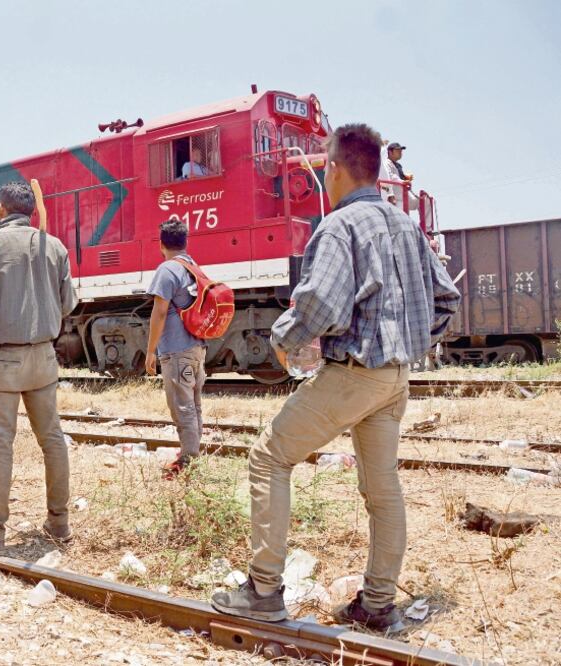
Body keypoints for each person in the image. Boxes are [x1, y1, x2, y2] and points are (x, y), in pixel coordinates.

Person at [210, 125, 460, 632]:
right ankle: (377, 604)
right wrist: (410, 341)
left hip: (356, 374)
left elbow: (320, 302)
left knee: (269, 457)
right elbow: (446, 299)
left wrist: (284, 338)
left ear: (338, 168)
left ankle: (262, 591)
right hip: (395, 379)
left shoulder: (340, 225)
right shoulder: (405, 225)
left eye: (326, 166)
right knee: (382, 487)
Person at [0, 181, 77, 556]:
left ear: (1, 210)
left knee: (0, 448)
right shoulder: (54, 246)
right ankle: (59, 522)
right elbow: (68, 303)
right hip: (43, 359)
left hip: (2, 363)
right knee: (52, 440)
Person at [144, 219, 206, 479]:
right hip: (195, 347)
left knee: (182, 406)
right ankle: (192, 453)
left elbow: (159, 312)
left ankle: (189, 461)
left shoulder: (167, 269)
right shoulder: (192, 266)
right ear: (185, 242)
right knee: (193, 404)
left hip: (177, 351)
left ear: (161, 245)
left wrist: (150, 351)